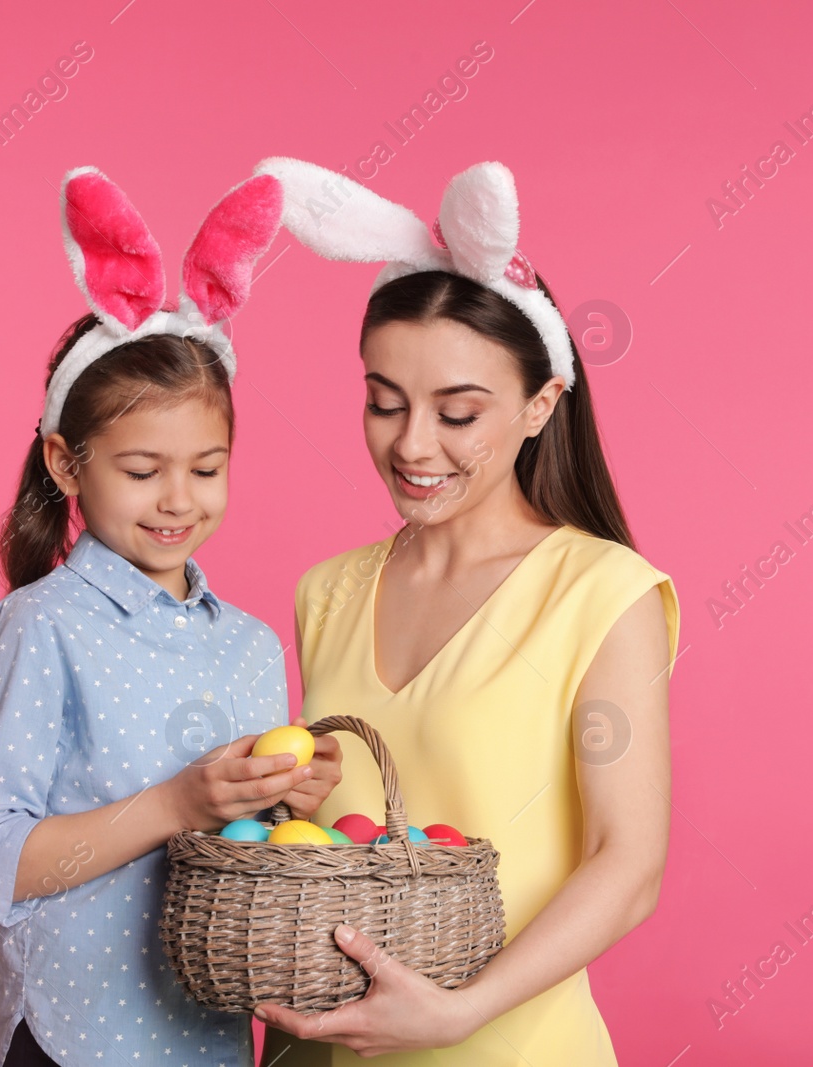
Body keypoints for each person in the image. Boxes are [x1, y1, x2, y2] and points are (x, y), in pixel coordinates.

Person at [251, 159, 682, 1064]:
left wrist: (463, 1008)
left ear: (540, 405)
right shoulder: (327, 593)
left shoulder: (602, 593)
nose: (413, 444)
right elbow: (340, 830)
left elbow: (626, 862)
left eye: (459, 413)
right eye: (384, 402)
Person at [0, 166, 341, 1067]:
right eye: (142, 469)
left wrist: (286, 800)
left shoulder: (248, 641)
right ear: (66, 461)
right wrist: (176, 801)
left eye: (206, 468)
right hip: (75, 1039)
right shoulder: (41, 626)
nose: (178, 499)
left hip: (207, 1038)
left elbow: (244, 849)